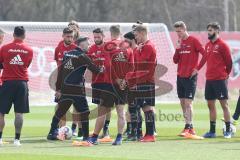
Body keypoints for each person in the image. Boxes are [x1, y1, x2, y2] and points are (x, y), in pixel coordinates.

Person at [47, 36, 102, 146]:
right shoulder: (83, 56)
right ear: (82, 45)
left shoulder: (67, 54)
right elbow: (95, 70)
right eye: (88, 43)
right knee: (85, 112)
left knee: (60, 111)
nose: (89, 45)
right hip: (76, 89)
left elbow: (61, 71)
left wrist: (58, 89)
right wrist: (103, 68)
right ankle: (86, 138)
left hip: (65, 88)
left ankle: (51, 133)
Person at [0, 26, 33, 146]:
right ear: (24, 36)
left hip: (7, 83)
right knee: (19, 113)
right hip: (21, 83)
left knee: (1, 112)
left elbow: (0, 64)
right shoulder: (29, 50)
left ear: (13, 35)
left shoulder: (4, 48)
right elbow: (27, 65)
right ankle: (17, 140)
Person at [172, 21, 206, 136]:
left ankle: (189, 127)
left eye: (179, 31)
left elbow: (205, 54)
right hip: (180, 76)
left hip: (190, 77)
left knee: (188, 103)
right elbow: (175, 60)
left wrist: (197, 68)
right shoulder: (179, 42)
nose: (178, 34)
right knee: (182, 103)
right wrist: (177, 48)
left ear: (184, 29)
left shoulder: (194, 40)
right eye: (176, 31)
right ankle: (188, 126)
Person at [126, 25, 157, 142]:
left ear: (143, 33)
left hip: (146, 81)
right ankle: (143, 133)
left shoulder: (148, 46)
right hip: (140, 81)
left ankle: (150, 134)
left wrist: (137, 50)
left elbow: (141, 64)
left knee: (147, 108)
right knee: (143, 107)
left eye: (136, 35)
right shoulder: (142, 47)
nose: (135, 38)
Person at [202, 22, 233, 139]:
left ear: (216, 31)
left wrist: (225, 75)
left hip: (220, 79)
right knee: (210, 105)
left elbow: (229, 63)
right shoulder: (208, 45)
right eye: (208, 30)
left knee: (224, 105)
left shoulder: (223, 45)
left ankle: (228, 131)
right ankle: (212, 131)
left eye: (210, 30)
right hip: (209, 79)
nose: (208, 32)